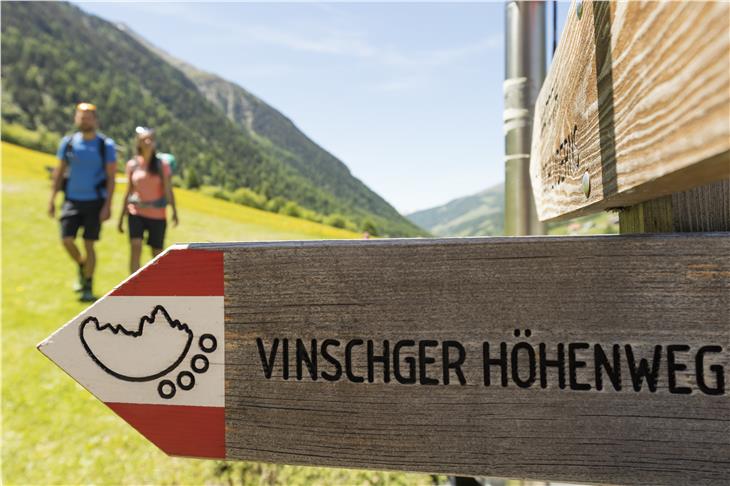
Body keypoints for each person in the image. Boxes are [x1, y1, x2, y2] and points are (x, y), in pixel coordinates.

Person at [48, 102, 116, 302]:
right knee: (66, 240)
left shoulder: (106, 145)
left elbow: (111, 177)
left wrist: (108, 205)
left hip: (95, 202)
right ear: (76, 119)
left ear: (95, 120)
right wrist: (52, 198)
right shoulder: (68, 143)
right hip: (71, 200)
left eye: (88, 117)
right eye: (81, 116)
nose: (84, 120)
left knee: (89, 244)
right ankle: (81, 265)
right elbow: (59, 172)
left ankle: (87, 284)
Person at [118, 127, 179, 273]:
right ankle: (133, 289)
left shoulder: (162, 165)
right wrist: (121, 217)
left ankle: (156, 288)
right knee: (135, 246)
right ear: (138, 143)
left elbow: (168, 189)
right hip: (136, 212)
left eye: (150, 139)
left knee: (157, 253)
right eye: (144, 139)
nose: (148, 142)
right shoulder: (132, 165)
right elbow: (129, 191)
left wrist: (174, 211)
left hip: (157, 214)